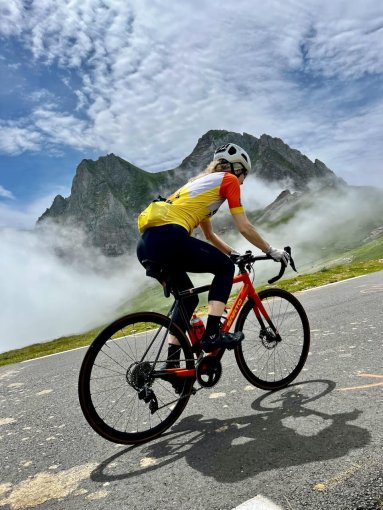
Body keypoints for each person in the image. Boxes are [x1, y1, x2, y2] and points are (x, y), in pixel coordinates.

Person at [136, 143, 290, 365]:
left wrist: (233, 252)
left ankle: (172, 365)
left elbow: (209, 235)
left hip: (147, 245)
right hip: (169, 237)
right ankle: (212, 336)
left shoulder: (197, 186)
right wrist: (270, 250)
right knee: (224, 268)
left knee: (188, 300)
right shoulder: (229, 181)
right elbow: (245, 227)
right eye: (243, 177)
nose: (242, 182)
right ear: (238, 169)